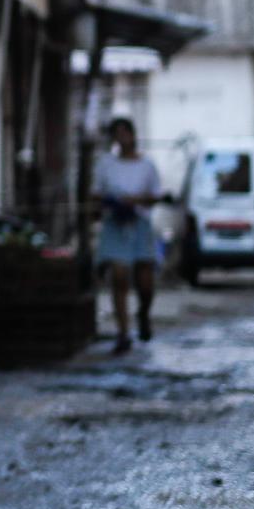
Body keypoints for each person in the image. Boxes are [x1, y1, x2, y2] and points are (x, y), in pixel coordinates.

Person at [92, 117, 163, 354]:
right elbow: (96, 194)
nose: (122, 138)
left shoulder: (147, 165)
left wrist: (136, 201)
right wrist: (111, 203)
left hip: (139, 223)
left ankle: (143, 313)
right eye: (117, 133)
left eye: (125, 132)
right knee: (119, 276)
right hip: (115, 224)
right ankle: (123, 332)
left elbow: (155, 195)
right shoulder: (106, 165)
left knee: (145, 280)